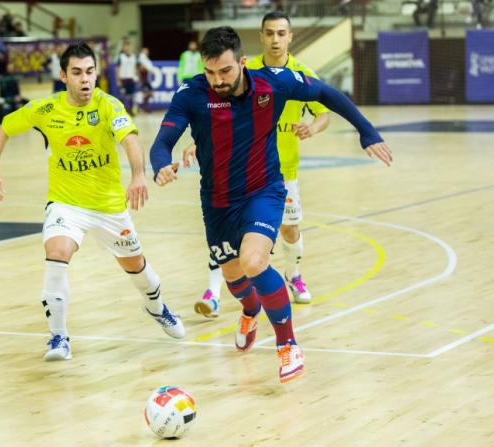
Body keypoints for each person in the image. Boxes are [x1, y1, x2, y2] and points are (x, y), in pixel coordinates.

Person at [149, 27, 392, 382]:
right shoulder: (191, 93)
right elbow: (162, 143)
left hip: (264, 190)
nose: (217, 80)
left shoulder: (273, 83)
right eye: (210, 72)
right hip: (216, 201)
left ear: (242, 63)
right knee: (233, 276)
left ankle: (288, 344)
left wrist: (366, 131)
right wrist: (160, 166)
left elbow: (327, 93)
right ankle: (249, 311)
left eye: (226, 71)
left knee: (253, 261)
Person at [0, 41, 185, 362]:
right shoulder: (45, 109)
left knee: (137, 267)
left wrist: (137, 175)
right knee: (57, 253)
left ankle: (157, 307)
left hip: (108, 207)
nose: (85, 79)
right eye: (77, 73)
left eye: (90, 72)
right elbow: (3, 129)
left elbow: (130, 140)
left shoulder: (109, 106)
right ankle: (58, 338)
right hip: (66, 203)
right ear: (63, 76)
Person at [187, 11, 330, 316]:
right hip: (237, 170)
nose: (275, 39)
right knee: (226, 237)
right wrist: (197, 141)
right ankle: (213, 291)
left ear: (290, 36)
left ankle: (294, 277)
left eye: (281, 33)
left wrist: (312, 128)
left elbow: (324, 112)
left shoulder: (301, 73)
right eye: (270, 33)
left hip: (280, 172)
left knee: (290, 231)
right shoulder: (242, 70)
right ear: (262, 36)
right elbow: (213, 112)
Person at [115, 41, 138, 115]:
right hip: (123, 79)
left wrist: (136, 76)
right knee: (123, 96)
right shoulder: (120, 57)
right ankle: (122, 112)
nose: (128, 48)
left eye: (129, 47)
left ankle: (132, 111)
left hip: (131, 79)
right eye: (126, 47)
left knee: (132, 96)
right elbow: (117, 68)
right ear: (124, 48)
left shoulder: (134, 57)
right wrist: (118, 80)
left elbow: (135, 67)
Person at [137, 47, 156, 113]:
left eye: (147, 51)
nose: (146, 52)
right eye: (145, 51)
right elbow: (141, 68)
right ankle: (142, 106)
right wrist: (146, 68)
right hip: (143, 78)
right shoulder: (141, 57)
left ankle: (143, 105)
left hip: (147, 79)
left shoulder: (146, 59)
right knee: (145, 93)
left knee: (150, 93)